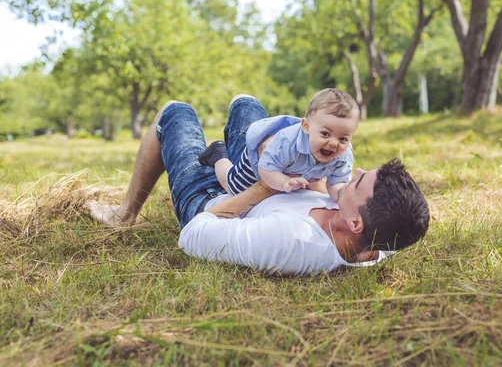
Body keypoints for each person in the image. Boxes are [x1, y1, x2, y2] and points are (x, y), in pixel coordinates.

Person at [88, 95, 430, 275]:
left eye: (358, 184)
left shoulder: (291, 243)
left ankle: (126, 213)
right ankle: (237, 153)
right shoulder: (383, 234)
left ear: (354, 223)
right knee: (247, 105)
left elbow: (192, 235)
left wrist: (266, 187)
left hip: (214, 200)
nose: (354, 173)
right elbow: (407, 223)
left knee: (175, 112)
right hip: (262, 175)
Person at [200, 89, 358, 202]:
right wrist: (283, 182)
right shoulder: (286, 143)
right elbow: (266, 169)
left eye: (343, 138)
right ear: (306, 126)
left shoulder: (343, 156)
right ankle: (217, 156)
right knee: (234, 188)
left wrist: (343, 194)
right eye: (325, 134)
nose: (333, 143)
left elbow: (336, 183)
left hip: (295, 167)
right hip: (263, 161)